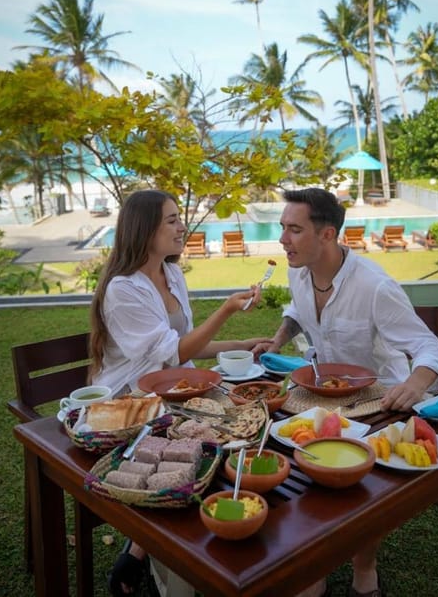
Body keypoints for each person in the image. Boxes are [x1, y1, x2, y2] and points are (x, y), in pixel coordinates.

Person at [253, 187, 438, 597]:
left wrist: (414, 384)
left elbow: (429, 347)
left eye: (294, 230)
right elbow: (296, 312)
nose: (283, 240)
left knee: (361, 491)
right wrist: (275, 342)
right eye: (282, 228)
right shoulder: (298, 271)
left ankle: (365, 570)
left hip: (380, 404)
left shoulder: (375, 286)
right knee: (291, 458)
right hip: (321, 395)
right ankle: (314, 563)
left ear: (327, 235)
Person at [89, 189, 268, 597]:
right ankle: (171, 564)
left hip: (177, 392)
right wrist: (224, 311)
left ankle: (146, 550)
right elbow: (170, 356)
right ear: (144, 228)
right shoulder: (123, 289)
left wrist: (238, 344)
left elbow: (184, 344)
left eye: (178, 218)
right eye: (171, 220)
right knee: (211, 446)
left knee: (242, 427)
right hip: (134, 401)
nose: (182, 226)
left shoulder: (172, 274)